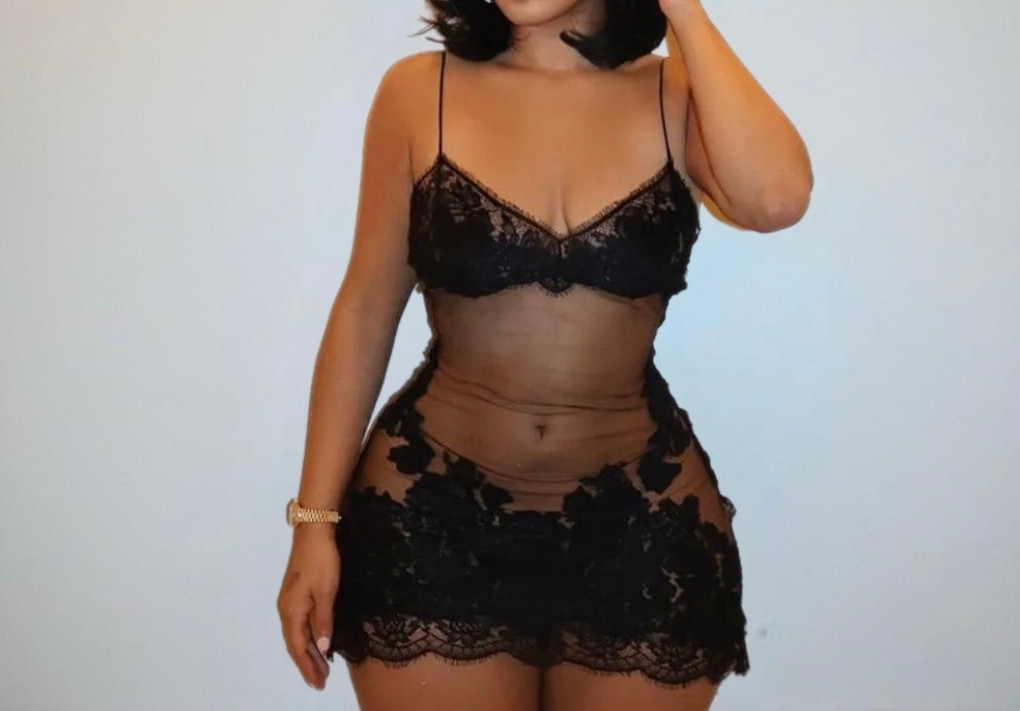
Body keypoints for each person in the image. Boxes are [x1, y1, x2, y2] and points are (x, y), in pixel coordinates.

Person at [277, 1, 812, 709]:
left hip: (640, 528)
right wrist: (315, 524)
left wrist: (683, 11)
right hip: (433, 522)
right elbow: (365, 310)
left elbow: (776, 198)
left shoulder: (678, 95)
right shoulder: (418, 90)